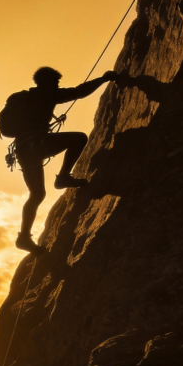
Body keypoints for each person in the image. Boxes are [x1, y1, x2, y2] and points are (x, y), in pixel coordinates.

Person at [12, 66, 119, 253]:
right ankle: (63, 177)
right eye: (55, 82)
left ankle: (23, 237)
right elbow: (79, 92)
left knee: (37, 194)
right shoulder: (46, 94)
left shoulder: (25, 98)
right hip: (38, 142)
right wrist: (103, 79)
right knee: (78, 138)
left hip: (23, 151)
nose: (57, 86)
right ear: (48, 82)